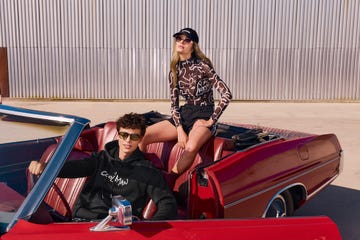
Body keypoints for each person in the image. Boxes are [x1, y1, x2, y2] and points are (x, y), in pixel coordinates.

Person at [28, 113, 177, 221]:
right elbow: (74, 168)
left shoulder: (148, 171)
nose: (127, 141)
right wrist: (45, 167)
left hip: (115, 227)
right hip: (81, 220)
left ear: (140, 139)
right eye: (124, 135)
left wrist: (148, 227)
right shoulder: (100, 158)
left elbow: (167, 203)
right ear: (118, 135)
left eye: (134, 137)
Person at [139, 28, 232, 186]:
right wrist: (180, 130)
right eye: (179, 39)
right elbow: (174, 105)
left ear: (193, 45)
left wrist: (211, 121)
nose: (181, 42)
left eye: (186, 40)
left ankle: (169, 180)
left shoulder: (203, 66)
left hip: (204, 114)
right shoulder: (174, 70)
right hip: (186, 112)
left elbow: (227, 94)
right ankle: (144, 173)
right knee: (142, 135)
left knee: (190, 147)